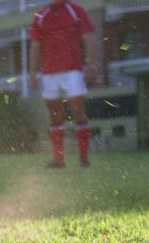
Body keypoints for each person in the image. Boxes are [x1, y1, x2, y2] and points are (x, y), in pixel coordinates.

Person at [29, 0, 98, 169]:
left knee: (78, 111)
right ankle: (59, 160)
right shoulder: (41, 15)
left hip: (72, 70)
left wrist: (91, 64)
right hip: (49, 73)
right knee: (55, 116)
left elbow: (88, 37)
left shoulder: (75, 10)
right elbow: (35, 46)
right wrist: (32, 73)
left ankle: (83, 158)